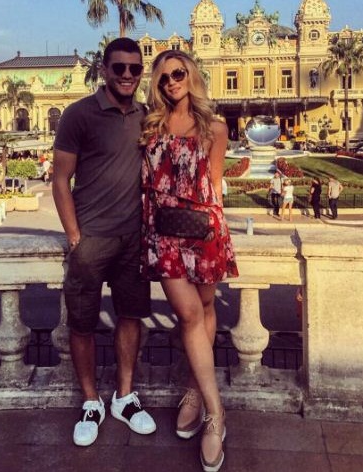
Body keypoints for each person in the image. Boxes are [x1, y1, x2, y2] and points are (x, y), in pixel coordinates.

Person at [52, 37, 156, 448]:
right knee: (82, 323)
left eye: (135, 68)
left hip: (133, 239)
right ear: (104, 70)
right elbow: (61, 179)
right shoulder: (79, 114)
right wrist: (74, 235)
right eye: (119, 68)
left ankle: (124, 397)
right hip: (91, 239)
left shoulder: (146, 116)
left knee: (131, 316)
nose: (128, 75)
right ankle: (91, 401)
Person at [139, 50, 239, 472]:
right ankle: (216, 414)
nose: (171, 82)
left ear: (191, 75)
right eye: (163, 78)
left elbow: (213, 185)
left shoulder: (215, 127)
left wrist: (217, 234)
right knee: (189, 313)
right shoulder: (151, 126)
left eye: (178, 73)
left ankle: (194, 391)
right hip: (163, 231)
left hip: (204, 230)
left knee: (206, 308)